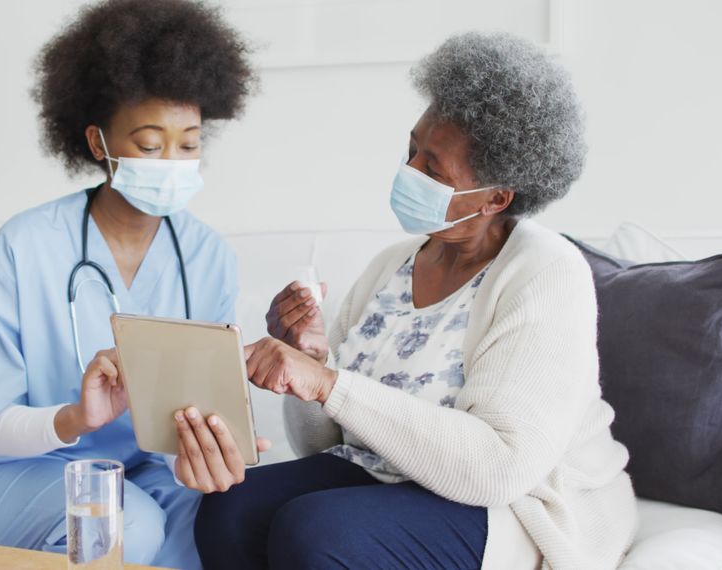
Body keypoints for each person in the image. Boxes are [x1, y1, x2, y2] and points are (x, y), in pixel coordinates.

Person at [190, 32, 638, 569]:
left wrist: (328, 383)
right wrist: (309, 365)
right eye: (411, 150)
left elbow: (500, 468)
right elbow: (324, 444)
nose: (408, 173)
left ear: (497, 197)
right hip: (388, 478)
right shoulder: (393, 265)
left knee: (318, 531)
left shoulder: (544, 272)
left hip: (515, 508)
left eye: (433, 168)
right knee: (229, 507)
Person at [0, 2, 261, 568]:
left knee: (229, 518)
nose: (171, 162)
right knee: (126, 522)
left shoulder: (209, 256)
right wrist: (78, 416)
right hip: (3, 462)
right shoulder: (24, 246)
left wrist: (213, 449)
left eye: (189, 144)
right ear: (99, 144)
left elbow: (190, 419)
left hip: (136, 467)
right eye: (149, 146)